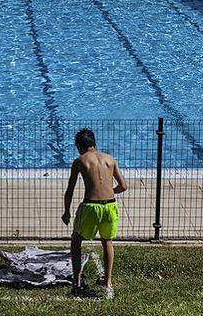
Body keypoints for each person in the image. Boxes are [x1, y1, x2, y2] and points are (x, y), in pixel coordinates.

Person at [62, 128, 127, 300]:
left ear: (79, 146)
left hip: (91, 206)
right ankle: (108, 283)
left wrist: (66, 212)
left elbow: (70, 190)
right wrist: (108, 191)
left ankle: (76, 282)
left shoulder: (80, 161)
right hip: (110, 206)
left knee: (76, 240)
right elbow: (123, 186)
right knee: (107, 241)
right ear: (94, 143)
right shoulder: (110, 160)